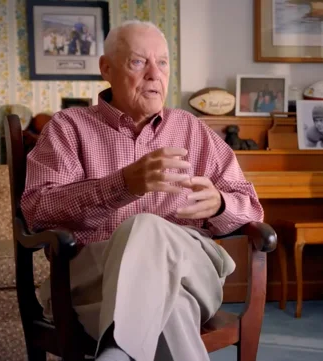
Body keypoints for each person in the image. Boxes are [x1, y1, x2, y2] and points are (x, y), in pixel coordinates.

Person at [21, 20, 264, 361]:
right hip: (94, 281)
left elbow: (251, 207)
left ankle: (119, 350)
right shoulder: (68, 128)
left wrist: (221, 204)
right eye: (139, 62)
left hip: (190, 271)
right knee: (172, 307)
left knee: (146, 226)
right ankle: (118, 350)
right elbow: (37, 211)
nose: (154, 74)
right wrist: (121, 186)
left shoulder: (193, 130)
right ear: (106, 68)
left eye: (162, 62)